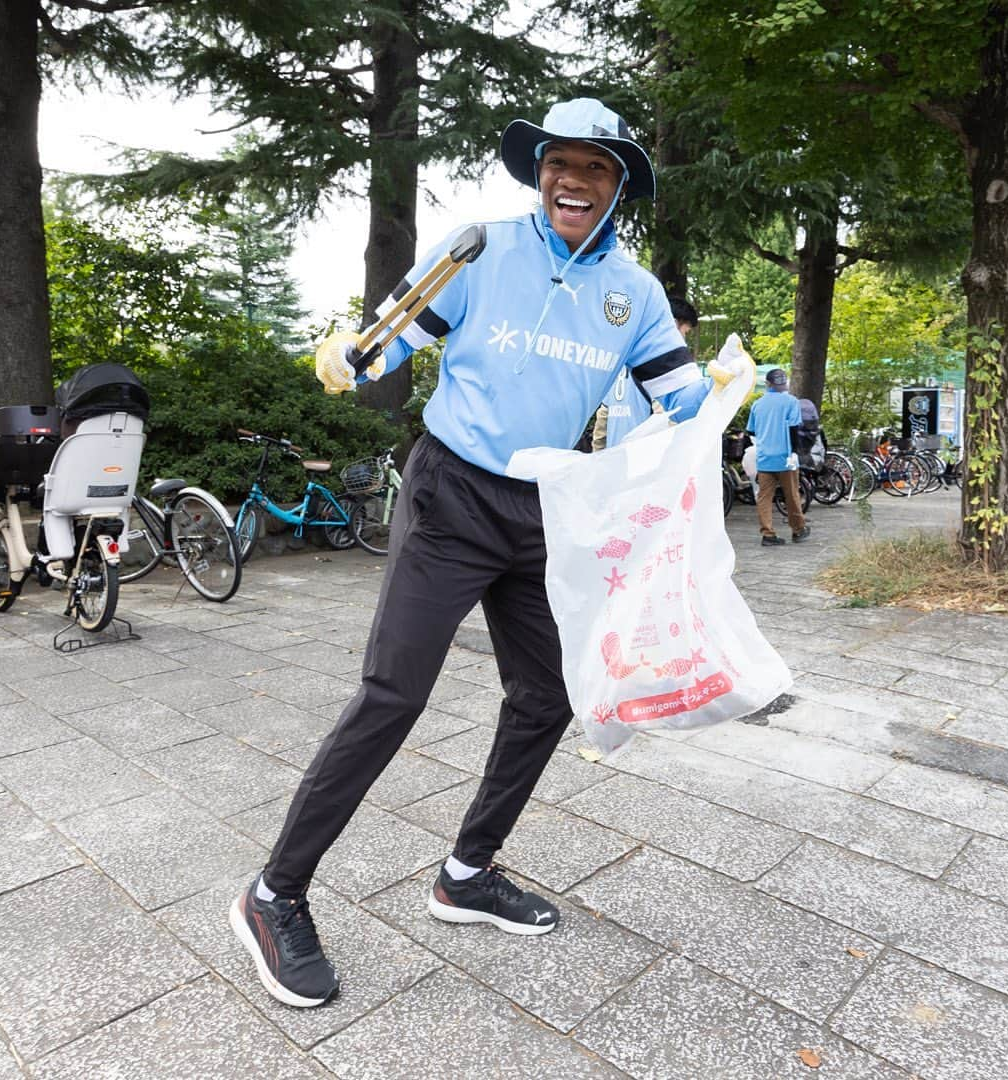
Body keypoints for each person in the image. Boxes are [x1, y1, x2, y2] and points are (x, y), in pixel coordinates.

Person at [230, 97, 716, 1009]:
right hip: (451, 493)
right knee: (393, 694)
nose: (574, 180)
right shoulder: (480, 250)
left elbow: (677, 394)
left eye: (596, 167)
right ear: (541, 173)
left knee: (546, 695)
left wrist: (718, 391)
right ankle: (273, 895)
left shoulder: (638, 295)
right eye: (559, 163)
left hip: (543, 509)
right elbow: (391, 335)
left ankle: (465, 873)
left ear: (618, 188)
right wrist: (351, 355)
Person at [591, 297, 699, 449]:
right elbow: (666, 422)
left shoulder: (620, 361)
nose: (684, 340)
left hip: (612, 463)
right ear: (672, 324)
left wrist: (599, 459)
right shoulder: (658, 368)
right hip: (644, 466)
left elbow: (602, 421)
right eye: (685, 332)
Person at [746, 367, 810, 546]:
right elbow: (794, 429)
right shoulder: (791, 402)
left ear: (767, 384)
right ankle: (798, 530)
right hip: (786, 458)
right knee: (792, 495)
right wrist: (795, 453)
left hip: (765, 458)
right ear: (784, 383)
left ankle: (767, 534)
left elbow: (751, 431)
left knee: (764, 497)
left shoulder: (757, 404)